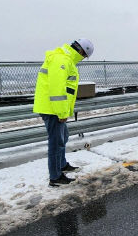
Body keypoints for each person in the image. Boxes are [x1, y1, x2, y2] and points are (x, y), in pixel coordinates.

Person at [33, 38, 94, 186]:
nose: (83, 59)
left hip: (54, 108)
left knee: (63, 137)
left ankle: (61, 165)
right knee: (56, 143)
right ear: (81, 51)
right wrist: (61, 113)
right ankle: (55, 177)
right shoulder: (62, 60)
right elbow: (57, 89)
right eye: (84, 56)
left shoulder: (65, 59)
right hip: (53, 109)